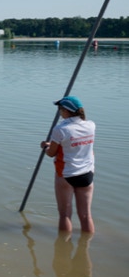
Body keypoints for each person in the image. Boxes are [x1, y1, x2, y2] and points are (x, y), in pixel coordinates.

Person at [41, 96, 96, 234]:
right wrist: (53, 144)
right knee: (86, 215)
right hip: (87, 174)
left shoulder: (60, 129)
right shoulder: (91, 125)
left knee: (65, 215)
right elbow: (74, 143)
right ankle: (86, 244)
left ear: (66, 111)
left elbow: (51, 153)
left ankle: (64, 243)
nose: (60, 112)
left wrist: (45, 147)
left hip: (67, 174)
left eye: (60, 109)